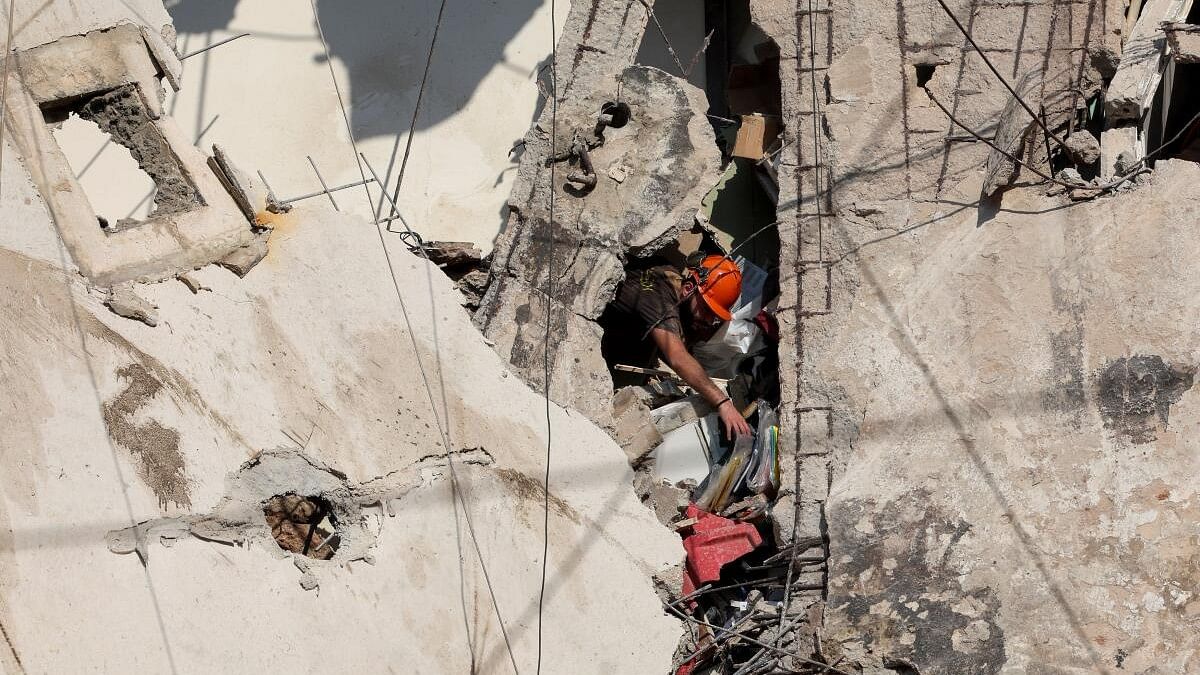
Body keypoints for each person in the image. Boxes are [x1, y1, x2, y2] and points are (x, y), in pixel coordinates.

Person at [600, 253, 753, 439]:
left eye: (714, 315)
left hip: (628, 338)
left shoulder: (679, 288)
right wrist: (723, 403)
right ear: (689, 288)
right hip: (601, 341)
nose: (709, 319)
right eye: (706, 310)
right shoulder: (657, 293)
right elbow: (677, 357)